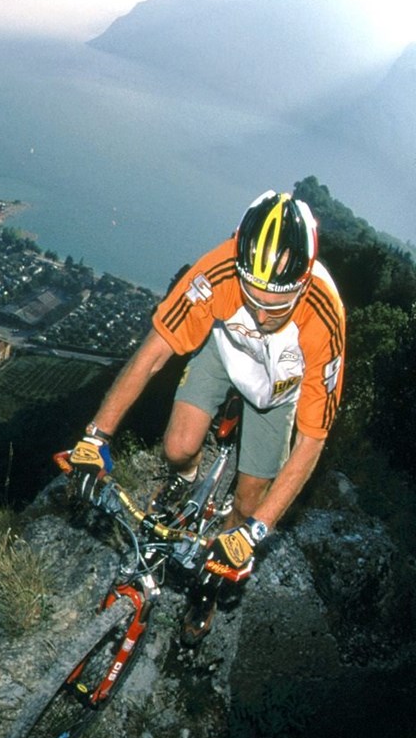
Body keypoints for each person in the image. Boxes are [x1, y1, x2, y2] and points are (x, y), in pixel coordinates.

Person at [68, 190, 346, 640]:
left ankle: (208, 588)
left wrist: (252, 533)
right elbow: (152, 353)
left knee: (248, 505)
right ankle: (187, 476)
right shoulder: (218, 270)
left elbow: (313, 438)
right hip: (227, 351)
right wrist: (95, 436)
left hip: (278, 389)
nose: (261, 316)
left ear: (302, 284)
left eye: (276, 306)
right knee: (177, 448)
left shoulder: (325, 315)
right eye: (252, 299)